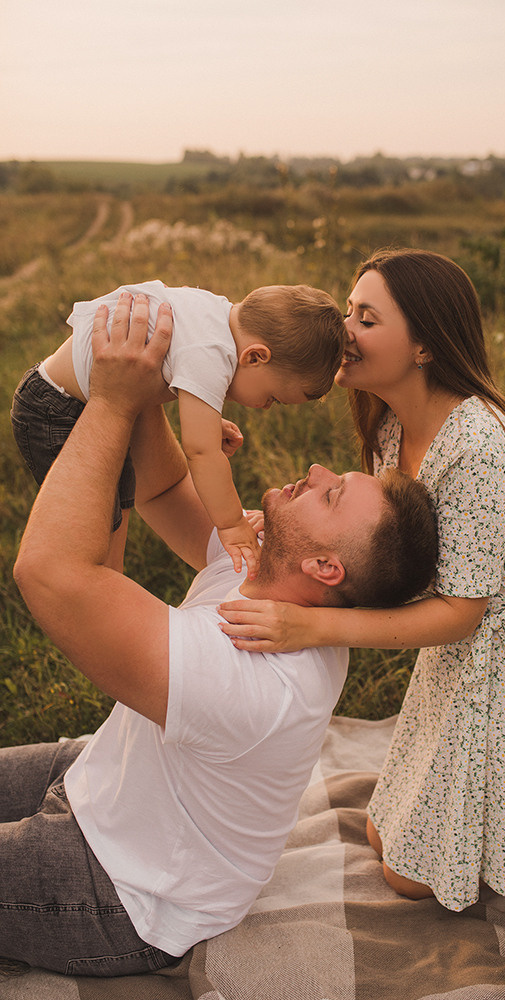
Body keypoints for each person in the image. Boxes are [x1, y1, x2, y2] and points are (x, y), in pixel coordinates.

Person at [5, 294, 438, 976]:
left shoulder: (253, 672)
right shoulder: (265, 560)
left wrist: (113, 404)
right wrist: (160, 385)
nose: (318, 472)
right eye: (336, 477)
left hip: (124, 891)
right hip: (103, 777)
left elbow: (51, 573)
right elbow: (160, 488)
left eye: (331, 496)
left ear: (324, 568)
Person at [218, 247, 505, 911]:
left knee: (411, 877)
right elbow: (374, 550)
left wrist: (309, 624)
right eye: (347, 311)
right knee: (381, 839)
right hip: (450, 664)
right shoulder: (390, 427)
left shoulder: (478, 444)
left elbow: (460, 610)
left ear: (423, 344)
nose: (343, 332)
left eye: (365, 318)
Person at [10, 279, 346, 577]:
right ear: (255, 357)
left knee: (114, 519)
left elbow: (178, 373)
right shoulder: (212, 352)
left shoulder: (215, 316)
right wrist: (232, 524)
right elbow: (201, 452)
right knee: (91, 532)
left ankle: (108, 585)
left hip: (77, 399)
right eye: (273, 397)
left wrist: (208, 418)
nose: (264, 407)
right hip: (57, 409)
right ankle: (89, 598)